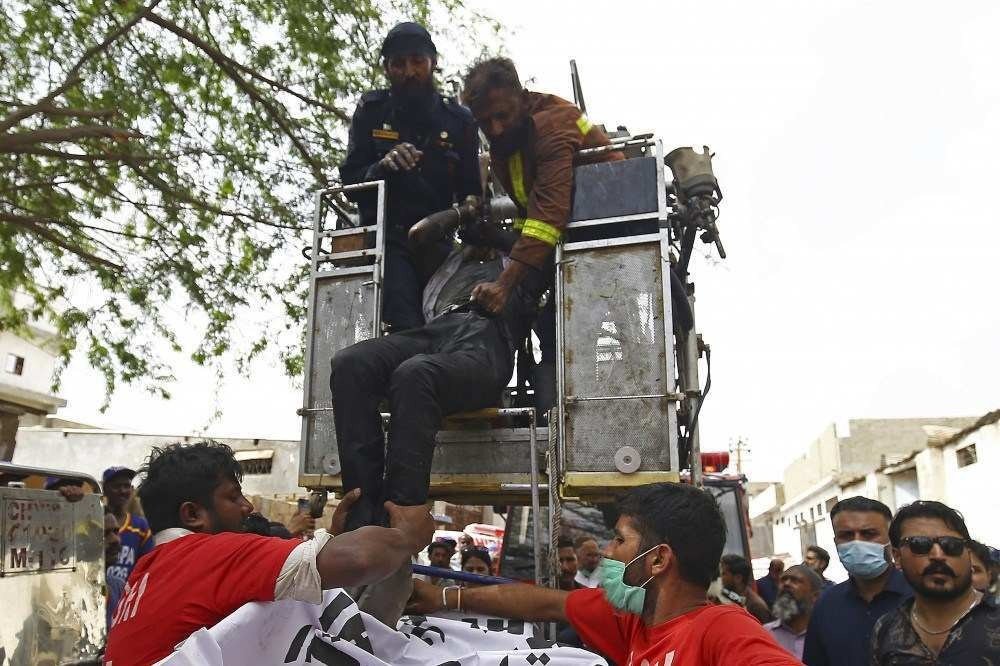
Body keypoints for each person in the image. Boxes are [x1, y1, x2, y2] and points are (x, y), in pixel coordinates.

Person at [103, 441, 434, 666]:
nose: (247, 506)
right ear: (193, 515)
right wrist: (407, 535)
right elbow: (358, 559)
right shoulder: (205, 555)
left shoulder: (146, 571)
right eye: (233, 497)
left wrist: (331, 538)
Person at [408, 482, 800, 665]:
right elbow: (545, 603)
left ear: (658, 561)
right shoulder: (631, 620)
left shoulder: (721, 629)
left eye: (618, 540)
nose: (607, 552)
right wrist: (444, 598)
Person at [331, 206, 542, 532]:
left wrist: (494, 235)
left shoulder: (517, 268)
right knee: (350, 364)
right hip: (435, 333)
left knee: (415, 374)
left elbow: (539, 249)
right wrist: (465, 212)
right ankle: (362, 511)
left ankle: (402, 512)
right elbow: (420, 233)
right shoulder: (451, 260)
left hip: (484, 345)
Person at [460, 57, 623, 416]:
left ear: (521, 97)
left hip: (612, 237)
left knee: (551, 324)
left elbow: (548, 217)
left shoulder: (552, 123)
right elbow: (531, 215)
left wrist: (504, 284)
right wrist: (494, 239)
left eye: (502, 115)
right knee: (544, 324)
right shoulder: (511, 140)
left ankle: (574, 419)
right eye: (485, 122)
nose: (496, 129)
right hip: (569, 239)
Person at [340, 22, 481, 331]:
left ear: (433, 62)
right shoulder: (372, 111)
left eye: (417, 61)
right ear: (387, 69)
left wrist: (473, 219)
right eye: (398, 64)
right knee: (407, 323)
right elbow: (350, 184)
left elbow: (472, 192)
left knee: (451, 324)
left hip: (439, 243)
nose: (409, 71)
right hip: (386, 240)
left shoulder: (458, 121)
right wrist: (383, 168)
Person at [871, 500, 1000, 663]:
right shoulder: (886, 629)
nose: (938, 555)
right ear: (897, 557)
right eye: (919, 545)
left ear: (967, 553)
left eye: (951, 545)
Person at [802, 497, 912, 666]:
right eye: (846, 535)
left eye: (869, 534)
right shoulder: (826, 605)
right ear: (835, 542)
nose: (857, 543)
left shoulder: (920, 596)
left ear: (891, 540)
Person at [102, 466, 154, 600]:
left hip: (127, 599)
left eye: (127, 486)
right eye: (117, 486)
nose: (123, 491)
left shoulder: (140, 526)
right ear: (105, 489)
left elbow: (147, 568)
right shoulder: (94, 523)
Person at [764, 564, 822, 660]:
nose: (786, 584)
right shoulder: (765, 634)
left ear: (815, 596)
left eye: (795, 581)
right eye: (783, 580)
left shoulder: (825, 635)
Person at [717, 553, 773, 622]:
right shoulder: (727, 596)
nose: (721, 577)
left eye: (724, 574)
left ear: (738, 578)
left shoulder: (756, 606)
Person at [103, 507, 124, 630]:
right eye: (105, 533)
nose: (115, 540)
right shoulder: (69, 591)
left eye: (116, 532)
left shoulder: (119, 587)